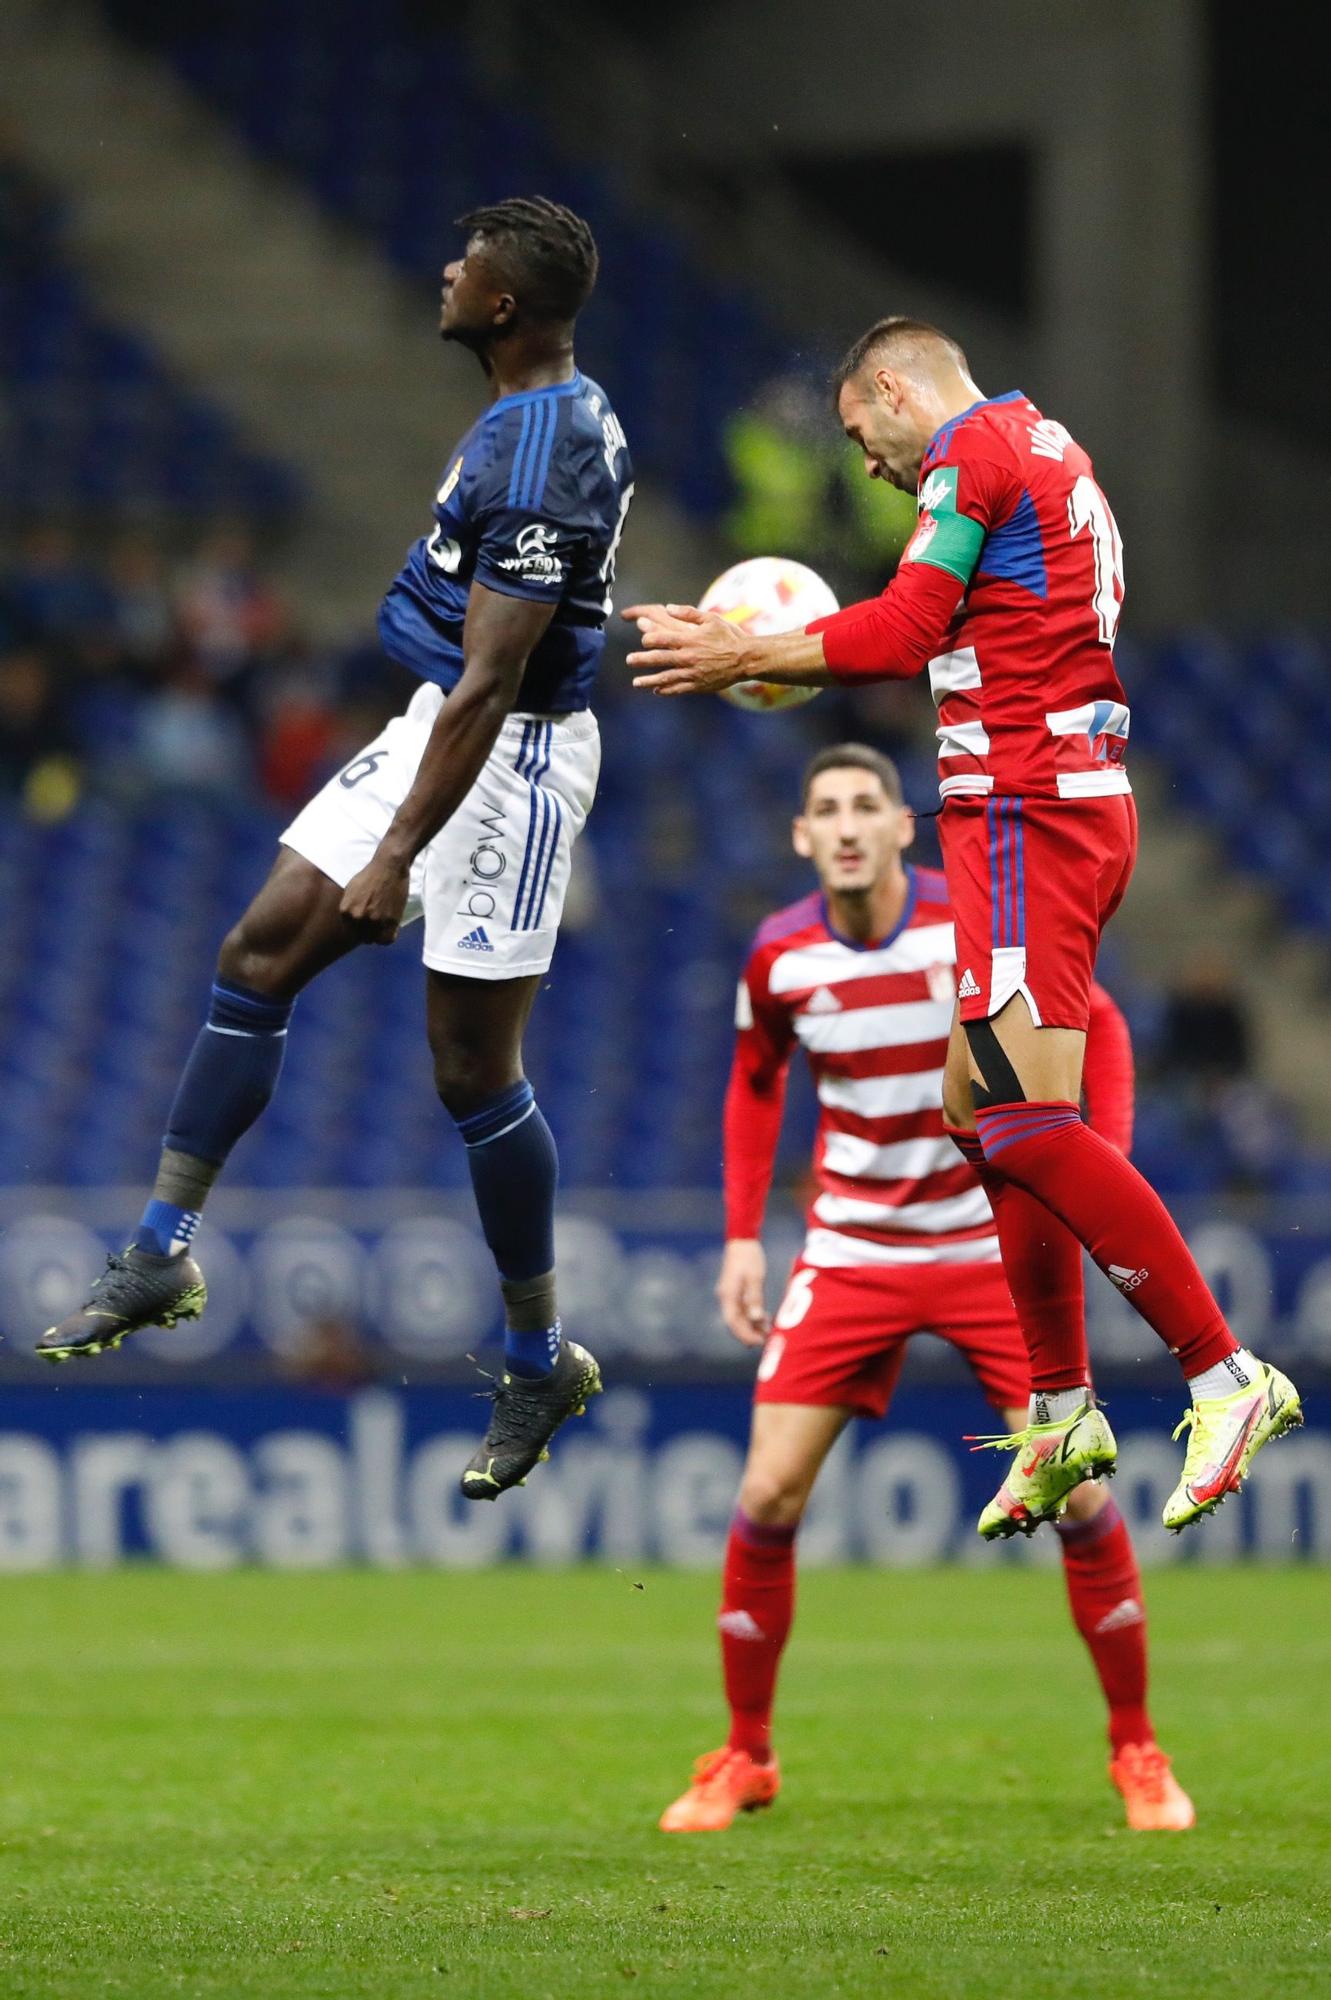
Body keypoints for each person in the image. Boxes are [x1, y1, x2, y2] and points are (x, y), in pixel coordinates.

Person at [626, 316, 1300, 1536]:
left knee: (1025, 1119)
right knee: (972, 1110)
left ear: (891, 389)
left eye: (856, 435)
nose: (867, 467)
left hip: (1023, 811)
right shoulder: (1048, 445)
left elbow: (900, 629)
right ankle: (1055, 1411)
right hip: (1051, 804)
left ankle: (1220, 1370)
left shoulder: (969, 451)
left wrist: (741, 654)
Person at [38, 197, 634, 1501]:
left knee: (471, 1068)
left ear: (502, 307)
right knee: (254, 953)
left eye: (462, 263)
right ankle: (159, 1249)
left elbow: (495, 677)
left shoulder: (542, 452)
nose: (442, 267)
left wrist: (396, 854)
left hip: (510, 759)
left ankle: (538, 1356)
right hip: (440, 724)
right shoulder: (526, 415)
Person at [659, 743, 1192, 1836]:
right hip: (850, 1245)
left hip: (989, 1243)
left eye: (865, 805)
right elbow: (754, 1083)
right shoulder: (778, 956)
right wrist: (740, 1238)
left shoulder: (976, 925)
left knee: (1079, 1493)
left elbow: (1104, 1023)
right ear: (800, 837)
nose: (847, 825)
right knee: (763, 1495)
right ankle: (744, 1755)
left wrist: (1102, 1176)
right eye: (824, 810)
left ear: (904, 826)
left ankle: (1135, 1747)